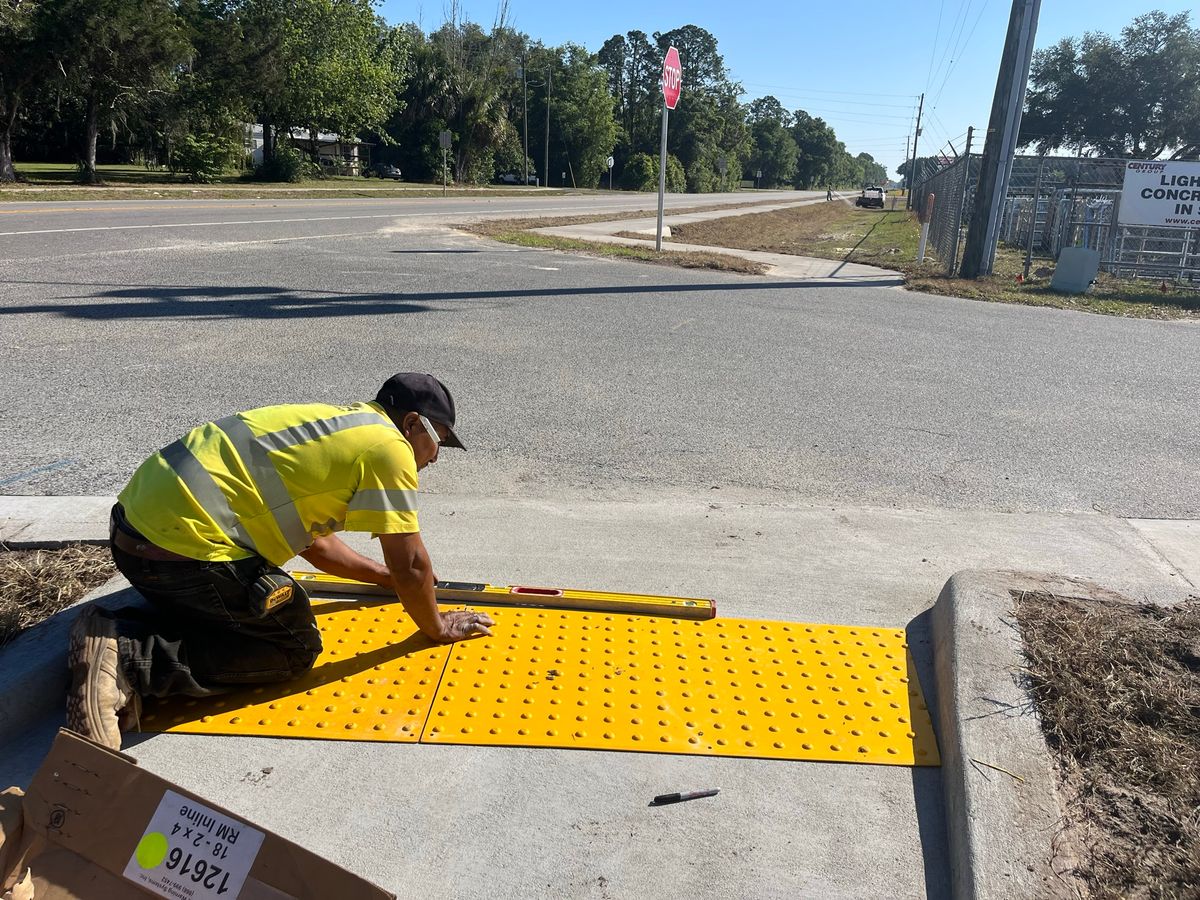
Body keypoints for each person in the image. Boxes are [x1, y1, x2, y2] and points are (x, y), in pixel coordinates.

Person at [66, 373, 494, 750]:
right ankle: (129, 657)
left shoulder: (335, 425)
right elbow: (412, 565)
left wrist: (381, 577)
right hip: (179, 556)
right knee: (291, 646)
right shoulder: (389, 449)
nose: (435, 457)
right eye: (437, 441)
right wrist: (436, 626)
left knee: (254, 597)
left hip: (135, 538)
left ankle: (116, 631)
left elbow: (315, 544)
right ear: (412, 424)